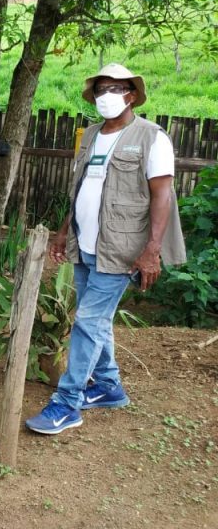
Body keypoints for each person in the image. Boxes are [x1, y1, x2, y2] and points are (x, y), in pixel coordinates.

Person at [26, 64, 185, 435]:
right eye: (100, 89)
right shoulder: (93, 135)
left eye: (114, 88)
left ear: (131, 93)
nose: (106, 95)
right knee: (95, 320)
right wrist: (64, 232)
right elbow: (81, 188)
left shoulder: (151, 138)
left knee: (88, 321)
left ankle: (67, 403)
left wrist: (152, 250)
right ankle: (109, 386)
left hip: (124, 248)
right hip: (86, 243)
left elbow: (162, 195)